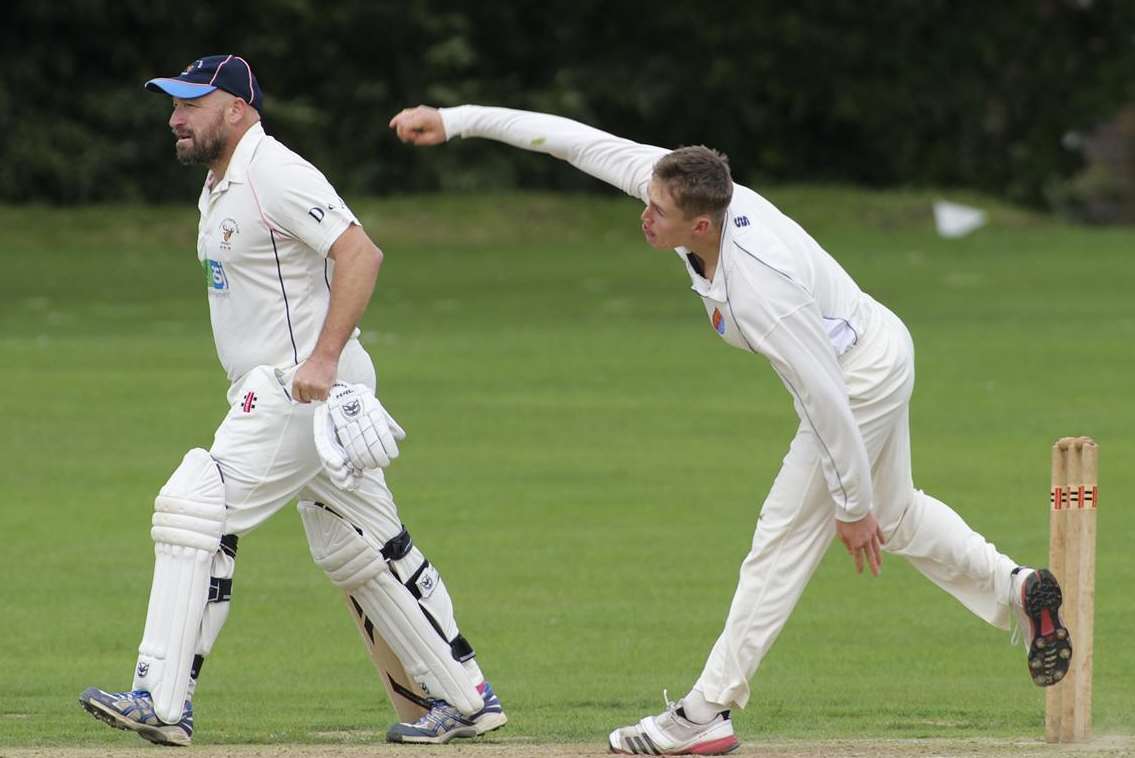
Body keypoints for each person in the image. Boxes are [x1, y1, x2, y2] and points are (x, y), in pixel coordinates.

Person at [388, 104, 1072, 756]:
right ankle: (1015, 587)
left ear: (702, 226)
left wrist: (850, 508)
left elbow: (827, 400)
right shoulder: (680, 183)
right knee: (898, 516)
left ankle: (701, 714)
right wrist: (455, 122)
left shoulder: (760, 291)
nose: (643, 216)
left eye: (657, 214)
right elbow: (568, 139)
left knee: (781, 541)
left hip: (856, 377)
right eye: (647, 200)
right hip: (874, 344)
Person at [78, 56, 506, 747]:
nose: (174, 118)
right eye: (173, 105)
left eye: (192, 104)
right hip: (298, 394)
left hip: (296, 390)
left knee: (195, 504)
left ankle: (160, 700)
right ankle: (466, 698)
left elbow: (360, 254)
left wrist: (324, 359)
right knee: (362, 548)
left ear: (238, 110)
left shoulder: (274, 171)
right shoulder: (220, 186)